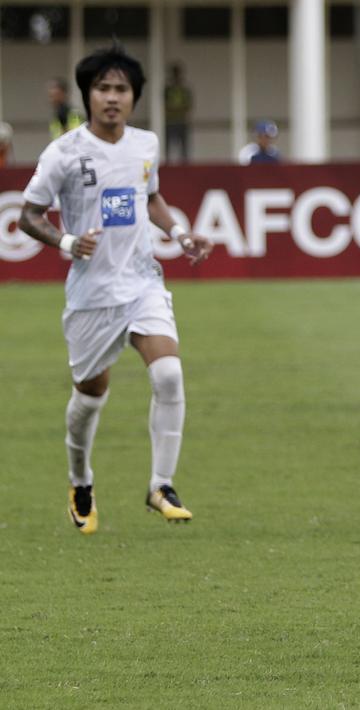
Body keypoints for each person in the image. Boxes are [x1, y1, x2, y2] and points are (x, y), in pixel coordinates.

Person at [19, 44, 214, 535]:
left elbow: (151, 196)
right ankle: (80, 481)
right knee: (90, 396)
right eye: (102, 88)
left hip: (142, 281)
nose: (111, 97)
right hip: (92, 293)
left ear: (134, 97)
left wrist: (180, 232)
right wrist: (67, 242)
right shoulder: (64, 152)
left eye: (121, 89)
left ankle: (161, 485)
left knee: (168, 374)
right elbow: (28, 215)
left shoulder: (146, 144)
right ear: (88, 95)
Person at [164, 63, 193, 163]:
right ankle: (168, 166)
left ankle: (185, 166)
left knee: (184, 148)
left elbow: (188, 106)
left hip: (182, 121)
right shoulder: (168, 89)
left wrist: (175, 109)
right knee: (168, 147)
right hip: (170, 121)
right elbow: (164, 105)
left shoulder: (184, 90)